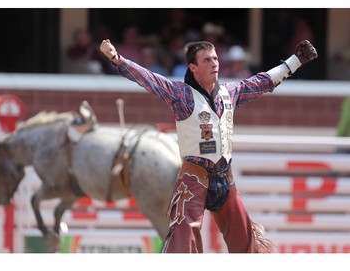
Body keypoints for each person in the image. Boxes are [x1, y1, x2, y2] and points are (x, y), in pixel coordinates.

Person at [99, 38, 318, 253]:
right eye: (206, 60)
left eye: (215, 58)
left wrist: (295, 61)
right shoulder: (182, 95)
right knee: (183, 243)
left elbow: (263, 81)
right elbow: (149, 79)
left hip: (225, 177)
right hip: (194, 178)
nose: (214, 63)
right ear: (193, 67)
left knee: (245, 242)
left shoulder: (230, 93)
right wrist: (117, 58)